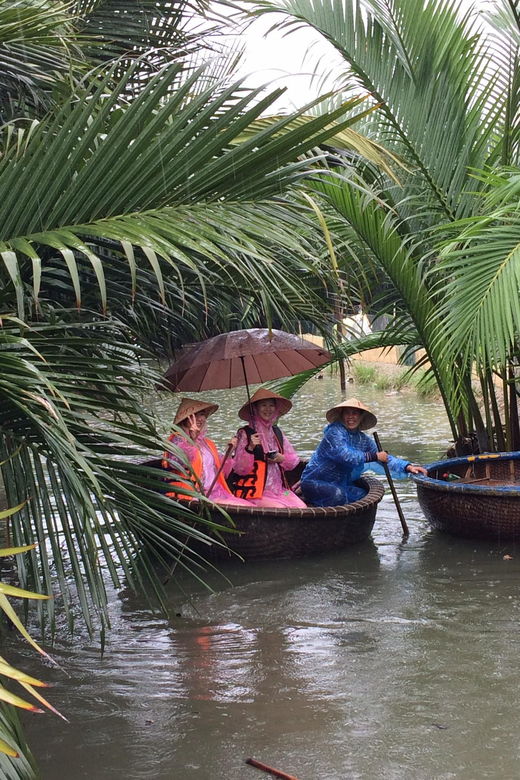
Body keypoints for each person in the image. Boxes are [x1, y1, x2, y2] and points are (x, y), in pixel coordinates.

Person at [300, 398, 427, 507]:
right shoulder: (334, 432)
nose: (351, 417)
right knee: (338, 495)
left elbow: (383, 458)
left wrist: (407, 466)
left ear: (361, 417)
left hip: (340, 483)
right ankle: (309, 501)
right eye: (347, 413)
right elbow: (345, 455)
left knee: (362, 496)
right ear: (341, 415)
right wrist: (374, 456)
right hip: (314, 481)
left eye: (355, 413)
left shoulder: (363, 439)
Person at [162, 397, 250, 506]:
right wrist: (191, 440)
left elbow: (222, 471)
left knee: (247, 504)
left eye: (202, 414)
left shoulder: (207, 443)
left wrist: (230, 450)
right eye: (195, 415)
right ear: (185, 419)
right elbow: (177, 463)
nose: (200, 419)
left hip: (214, 493)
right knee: (243, 505)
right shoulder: (177, 439)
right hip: (190, 495)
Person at [230, 388, 306, 508]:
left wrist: (281, 459)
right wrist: (250, 447)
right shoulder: (245, 433)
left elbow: (292, 461)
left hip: (279, 489)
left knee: (302, 507)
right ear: (255, 409)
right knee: (281, 509)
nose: (268, 409)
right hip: (256, 492)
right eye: (263, 405)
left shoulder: (276, 432)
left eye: (271, 405)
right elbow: (240, 468)